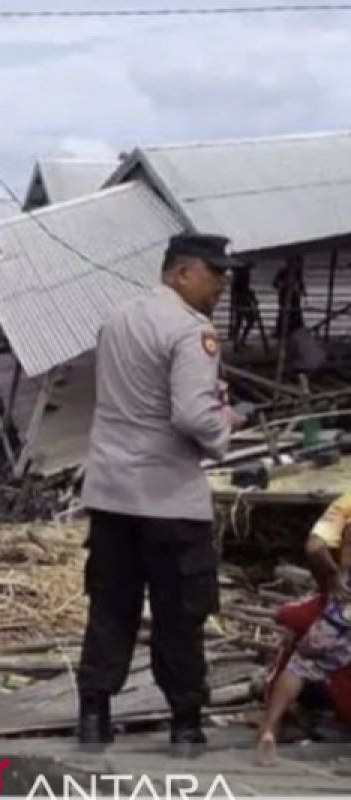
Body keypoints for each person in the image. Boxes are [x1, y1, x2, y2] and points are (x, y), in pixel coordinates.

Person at [77, 233, 244, 753]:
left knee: (110, 607)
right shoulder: (191, 332)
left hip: (111, 493)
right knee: (180, 613)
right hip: (168, 497)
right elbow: (193, 415)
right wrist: (226, 428)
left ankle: (94, 718)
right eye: (214, 275)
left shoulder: (118, 317)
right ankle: (186, 724)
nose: (221, 286)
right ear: (181, 273)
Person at [256, 494, 351, 765]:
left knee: (301, 663)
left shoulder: (347, 501)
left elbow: (314, 548)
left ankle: (269, 728)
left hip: (345, 603)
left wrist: (332, 580)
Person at [274, 257, 306, 341]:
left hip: (294, 296)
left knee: (296, 313)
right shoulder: (283, 271)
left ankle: (295, 331)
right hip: (284, 296)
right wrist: (284, 285)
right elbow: (275, 283)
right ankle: (281, 332)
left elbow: (300, 283)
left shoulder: (298, 272)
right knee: (284, 313)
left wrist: (302, 291)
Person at [230, 265, 260, 350]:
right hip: (241, 300)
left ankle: (239, 342)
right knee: (242, 321)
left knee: (243, 321)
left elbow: (242, 288)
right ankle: (238, 343)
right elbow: (240, 288)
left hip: (242, 300)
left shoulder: (241, 274)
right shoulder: (242, 274)